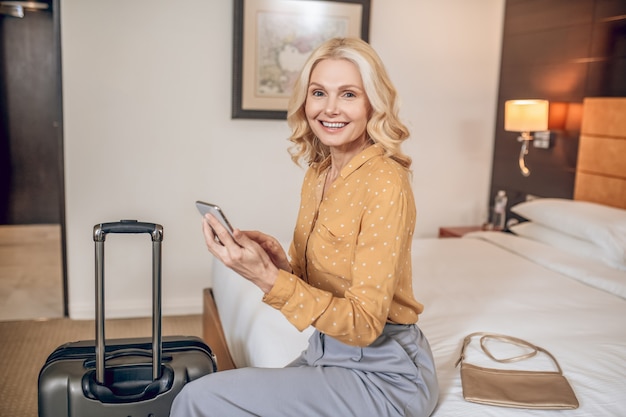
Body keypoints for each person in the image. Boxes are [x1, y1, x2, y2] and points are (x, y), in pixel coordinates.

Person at [170, 37, 439, 417]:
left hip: (383, 377)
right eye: (319, 93)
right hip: (327, 353)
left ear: (372, 104)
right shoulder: (320, 172)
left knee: (199, 398)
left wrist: (267, 280)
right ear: (305, 100)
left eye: (348, 94)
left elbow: (363, 326)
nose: (330, 108)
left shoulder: (385, 181)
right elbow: (330, 289)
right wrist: (281, 266)